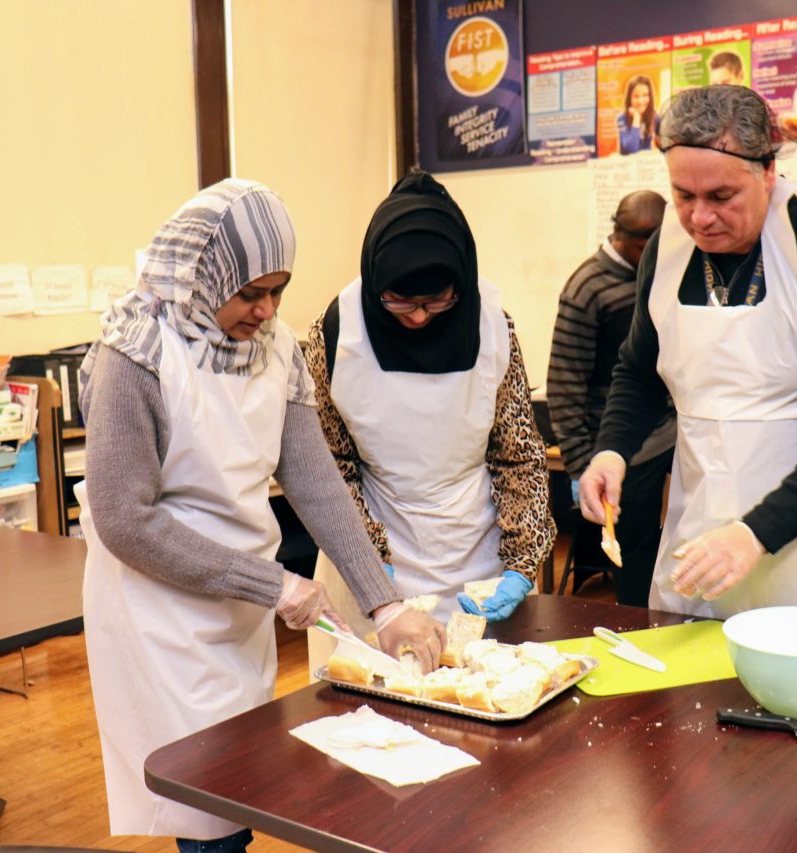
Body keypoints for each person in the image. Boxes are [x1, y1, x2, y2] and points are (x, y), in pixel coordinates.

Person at [76, 179, 443, 853]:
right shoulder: (136, 353)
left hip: (239, 601)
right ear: (203, 273)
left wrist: (384, 605)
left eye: (278, 289)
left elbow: (315, 480)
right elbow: (125, 520)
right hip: (160, 611)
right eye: (250, 293)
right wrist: (274, 584)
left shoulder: (275, 349)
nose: (267, 309)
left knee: (242, 780)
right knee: (206, 808)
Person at [579, 85, 797, 620]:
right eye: (683, 195)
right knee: (687, 688)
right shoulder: (667, 252)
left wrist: (756, 534)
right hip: (699, 529)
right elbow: (640, 370)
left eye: (721, 197)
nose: (699, 218)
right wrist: (612, 450)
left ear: (767, 170)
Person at [304, 170, 555, 669]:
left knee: (477, 695)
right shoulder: (336, 332)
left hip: (475, 559)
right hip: (372, 562)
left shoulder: (492, 326)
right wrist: (369, 565)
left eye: (435, 301)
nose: (418, 317)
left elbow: (518, 455)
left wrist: (523, 560)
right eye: (399, 301)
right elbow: (329, 464)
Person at [547, 190, 674, 606]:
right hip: (621, 452)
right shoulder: (587, 288)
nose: (659, 251)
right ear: (622, 236)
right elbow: (564, 385)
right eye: (649, 243)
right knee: (634, 559)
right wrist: (583, 467)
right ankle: (638, 633)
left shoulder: (665, 275)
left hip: (672, 436)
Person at [616, 75, 656, 155]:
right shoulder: (621, 119)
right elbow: (631, 149)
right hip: (629, 165)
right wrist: (636, 118)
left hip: (647, 164)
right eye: (636, 96)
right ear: (629, 98)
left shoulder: (654, 116)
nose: (641, 101)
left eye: (645, 95)